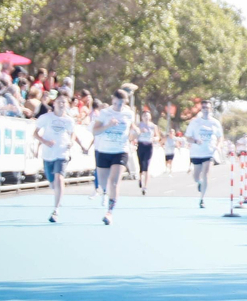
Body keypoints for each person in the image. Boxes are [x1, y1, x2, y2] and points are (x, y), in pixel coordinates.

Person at [90, 90, 135, 225]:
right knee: (104, 183)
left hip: (120, 151)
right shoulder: (105, 113)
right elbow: (95, 131)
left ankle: (109, 212)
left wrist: (135, 133)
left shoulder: (129, 114)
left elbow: (131, 129)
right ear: (112, 101)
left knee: (114, 182)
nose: (118, 106)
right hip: (104, 150)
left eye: (121, 104)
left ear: (125, 102)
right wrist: (108, 125)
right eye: (116, 103)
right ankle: (104, 193)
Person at [35, 93, 80, 222]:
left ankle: (56, 210)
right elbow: (35, 133)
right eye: (59, 101)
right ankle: (58, 196)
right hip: (48, 153)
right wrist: (45, 142)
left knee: (59, 178)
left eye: (64, 102)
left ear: (67, 105)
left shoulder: (69, 120)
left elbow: (73, 134)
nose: (61, 104)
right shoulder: (46, 118)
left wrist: (71, 141)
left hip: (62, 153)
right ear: (53, 103)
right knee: (52, 182)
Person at [186, 102, 224, 208]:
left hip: (209, 152)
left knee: (206, 174)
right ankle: (199, 182)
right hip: (196, 153)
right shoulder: (195, 122)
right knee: (196, 176)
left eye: (207, 107)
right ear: (201, 109)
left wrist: (218, 145)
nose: (205, 109)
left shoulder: (215, 123)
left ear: (211, 109)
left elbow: (220, 137)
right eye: (203, 108)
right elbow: (188, 137)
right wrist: (195, 141)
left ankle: (202, 199)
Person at [134, 107, 157, 195]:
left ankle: (145, 187)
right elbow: (135, 135)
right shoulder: (139, 125)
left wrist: (154, 138)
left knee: (147, 165)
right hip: (141, 145)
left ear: (150, 117)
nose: (146, 117)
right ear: (142, 117)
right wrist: (140, 131)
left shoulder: (153, 126)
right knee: (141, 165)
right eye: (144, 116)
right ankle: (140, 179)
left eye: (147, 116)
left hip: (149, 146)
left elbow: (157, 136)